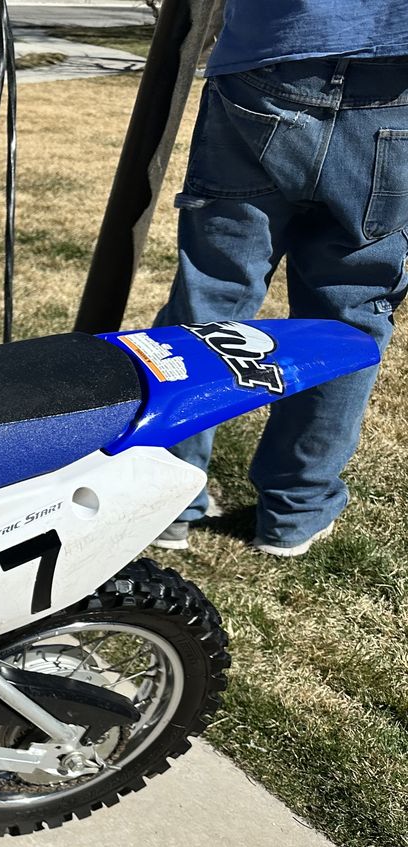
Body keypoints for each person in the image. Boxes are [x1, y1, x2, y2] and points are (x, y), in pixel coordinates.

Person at [152, 0, 408, 556]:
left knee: (211, 294)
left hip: (269, 50)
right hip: (396, 75)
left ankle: (163, 499)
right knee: (349, 315)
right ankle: (296, 510)